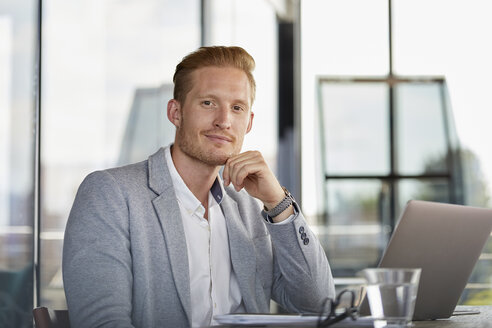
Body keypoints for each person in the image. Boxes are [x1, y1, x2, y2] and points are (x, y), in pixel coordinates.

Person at [63, 46, 335, 328]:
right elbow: (102, 323)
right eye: (208, 103)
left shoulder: (250, 209)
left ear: (249, 122)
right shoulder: (110, 195)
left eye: (237, 108)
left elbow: (318, 303)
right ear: (176, 112)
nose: (224, 121)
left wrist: (278, 202)